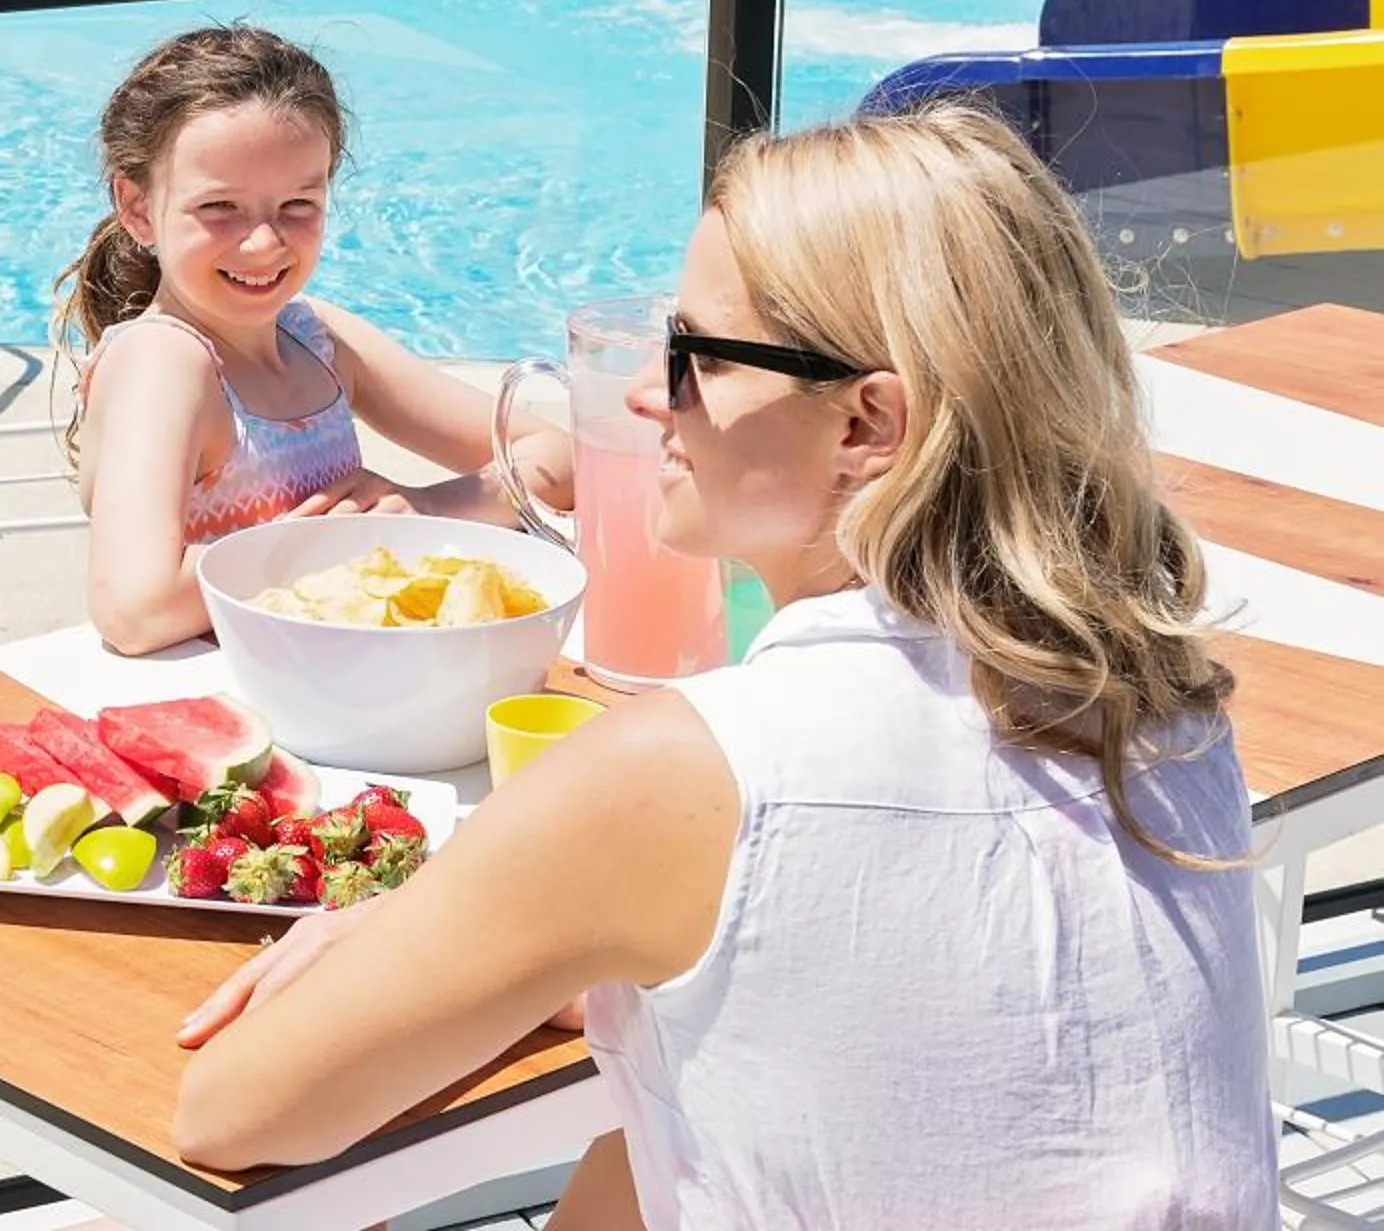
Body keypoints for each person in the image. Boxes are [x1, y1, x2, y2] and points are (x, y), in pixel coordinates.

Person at [171, 102, 1271, 1228]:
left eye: (694, 355)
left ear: (865, 425)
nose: (649, 390)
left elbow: (234, 1111)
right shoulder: (1161, 699)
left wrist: (458, 935)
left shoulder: (690, 768)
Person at [54, 25, 573, 656]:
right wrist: (327, 549)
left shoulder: (315, 338)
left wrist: (423, 505)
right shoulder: (163, 362)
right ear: (137, 208)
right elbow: (133, 610)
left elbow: (565, 458)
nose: (263, 243)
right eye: (220, 208)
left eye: (298, 204)